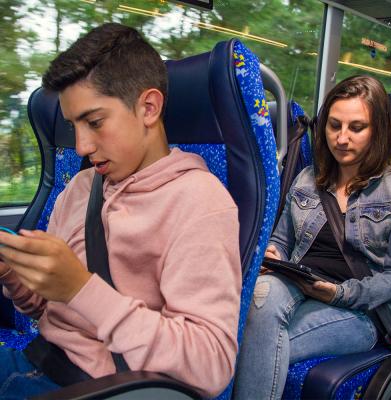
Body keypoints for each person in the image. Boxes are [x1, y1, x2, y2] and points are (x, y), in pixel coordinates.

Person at [0, 23, 242, 399]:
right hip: (38, 361)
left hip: (105, 386)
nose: (80, 146)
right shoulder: (81, 188)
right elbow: (45, 308)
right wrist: (14, 275)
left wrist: (82, 289)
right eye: (73, 126)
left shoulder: (200, 202)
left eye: (94, 122)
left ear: (148, 108)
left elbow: (210, 364)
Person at [233, 75, 391, 399]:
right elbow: (283, 239)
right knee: (261, 294)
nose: (341, 138)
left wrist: (338, 293)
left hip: (359, 310)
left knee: (254, 345)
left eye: (356, 128)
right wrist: (274, 254)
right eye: (334, 125)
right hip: (298, 282)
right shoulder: (308, 178)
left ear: (377, 131)